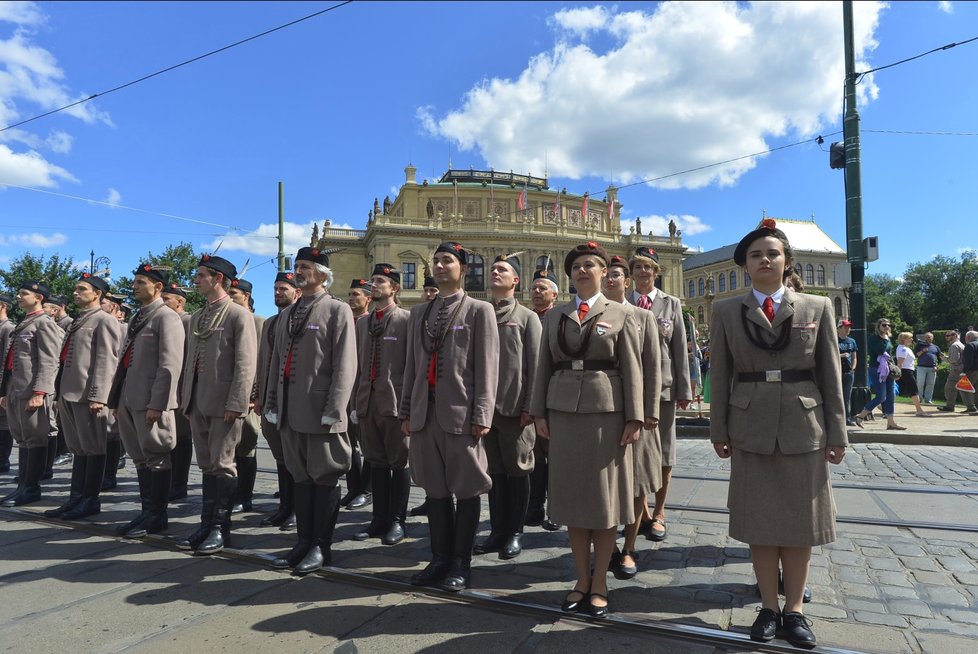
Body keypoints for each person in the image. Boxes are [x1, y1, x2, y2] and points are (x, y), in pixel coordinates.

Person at [710, 219, 847, 649]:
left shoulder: (817, 306)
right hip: (748, 424)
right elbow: (720, 374)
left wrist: (837, 432)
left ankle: (796, 610)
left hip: (804, 425)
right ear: (745, 266)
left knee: (799, 524)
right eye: (755, 255)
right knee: (761, 523)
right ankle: (768, 606)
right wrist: (718, 428)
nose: (765, 259)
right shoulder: (726, 310)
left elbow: (830, 373)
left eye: (772, 253)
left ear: (787, 261)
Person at [530, 241, 644, 619]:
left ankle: (600, 582)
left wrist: (635, 417)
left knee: (603, 501)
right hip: (562, 413)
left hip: (606, 414)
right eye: (577, 266)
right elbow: (543, 367)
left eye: (590, 266)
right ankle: (581, 579)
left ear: (602, 273)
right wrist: (538, 412)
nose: (582, 271)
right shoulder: (555, 315)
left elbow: (632, 368)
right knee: (572, 501)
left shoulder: (622, 313)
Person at [400, 241, 499, 592]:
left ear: (463, 269)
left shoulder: (479, 310)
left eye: (448, 261)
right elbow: (411, 366)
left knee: (467, 489)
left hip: (461, 415)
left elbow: (488, 367)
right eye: (437, 261)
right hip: (425, 416)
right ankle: (439, 558)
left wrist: (482, 413)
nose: (440, 266)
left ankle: (461, 561)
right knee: (436, 491)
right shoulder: (417, 313)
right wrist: (406, 411)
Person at [264, 247, 357, 576]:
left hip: (320, 413)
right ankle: (303, 541)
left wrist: (335, 409)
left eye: (305, 267)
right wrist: (272, 403)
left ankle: (321, 545)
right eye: (297, 266)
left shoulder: (336, 310)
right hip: (290, 411)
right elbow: (277, 362)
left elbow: (345, 365)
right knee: (300, 478)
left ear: (322, 274)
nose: (298, 271)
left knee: (324, 478)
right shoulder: (289, 313)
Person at [176, 256, 257, 555]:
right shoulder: (199, 316)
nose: (195, 280)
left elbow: (245, 364)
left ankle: (220, 528)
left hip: (224, 404)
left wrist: (237, 403)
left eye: (200, 275)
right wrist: (186, 400)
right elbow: (189, 364)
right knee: (207, 465)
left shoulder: (238, 315)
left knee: (223, 464)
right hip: (198, 401)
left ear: (217, 278)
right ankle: (205, 523)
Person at [107, 265, 185, 537]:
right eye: (135, 281)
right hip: (129, 395)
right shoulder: (140, 317)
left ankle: (157, 515)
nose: (135, 286)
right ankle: (146, 511)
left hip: (151, 400)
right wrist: (115, 398)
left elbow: (169, 365)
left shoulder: (167, 317)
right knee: (140, 457)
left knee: (157, 455)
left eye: (141, 282)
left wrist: (158, 403)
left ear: (158, 287)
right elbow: (124, 363)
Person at [473, 253, 541, 560]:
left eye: (502, 269)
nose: (495, 272)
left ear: (516, 280)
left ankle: (515, 532)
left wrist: (531, 405)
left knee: (518, 470)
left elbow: (536, 367)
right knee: (495, 473)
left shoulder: (527, 317)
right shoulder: (480, 313)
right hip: (486, 411)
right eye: (493, 269)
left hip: (516, 411)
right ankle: (497, 530)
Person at [601, 255, 661, 579]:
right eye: (606, 275)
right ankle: (608, 547)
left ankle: (628, 548)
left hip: (638, 417)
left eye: (617, 276)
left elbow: (653, 367)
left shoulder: (643, 317)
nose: (610, 280)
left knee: (638, 486)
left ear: (627, 282)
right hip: (605, 415)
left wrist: (649, 413)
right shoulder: (593, 316)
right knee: (607, 485)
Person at [627, 246, 692, 542]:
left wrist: (684, 388)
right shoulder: (620, 302)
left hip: (664, 389)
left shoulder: (671, 304)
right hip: (628, 390)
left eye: (648, 268)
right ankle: (641, 512)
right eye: (638, 267)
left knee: (665, 454)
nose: (643, 272)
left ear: (656, 273)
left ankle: (660, 513)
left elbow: (680, 347)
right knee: (632, 455)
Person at [44, 273, 122, 520]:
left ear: (97, 294)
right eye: (76, 288)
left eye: (82, 289)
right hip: (69, 393)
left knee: (93, 448)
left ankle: (90, 500)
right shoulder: (81, 319)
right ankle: (76, 497)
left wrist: (98, 396)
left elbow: (106, 361)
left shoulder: (104, 321)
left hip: (88, 396)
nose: (76, 293)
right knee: (79, 449)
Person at [352, 264, 411, 546]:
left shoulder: (405, 320)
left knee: (399, 462)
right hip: (367, 402)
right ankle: (378, 520)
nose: (373, 286)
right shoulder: (363, 323)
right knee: (375, 461)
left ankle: (397, 521)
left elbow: (413, 366)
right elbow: (356, 366)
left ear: (394, 288)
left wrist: (409, 405)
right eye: (373, 281)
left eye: (380, 281)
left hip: (394, 403)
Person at [0, 281, 63, 507]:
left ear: (38, 298)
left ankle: (32, 488)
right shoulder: (25, 323)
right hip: (16, 389)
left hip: (31, 391)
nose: (19, 296)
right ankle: (22, 487)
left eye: (23, 293)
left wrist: (40, 392)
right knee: (23, 439)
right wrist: (5, 390)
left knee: (34, 438)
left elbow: (49, 361)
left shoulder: (44, 323)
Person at [255, 271, 300, 529]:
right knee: (281, 457)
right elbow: (263, 364)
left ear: (297, 292)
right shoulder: (270, 323)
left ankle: (296, 509)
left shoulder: (299, 319)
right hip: (271, 398)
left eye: (283, 288)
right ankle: (284, 506)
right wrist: (260, 396)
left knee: (295, 458)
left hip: (292, 399)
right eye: (275, 289)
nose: (278, 293)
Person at [525, 267, 561, 532]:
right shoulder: (527, 318)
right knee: (535, 457)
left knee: (557, 457)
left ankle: (557, 510)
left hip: (554, 397)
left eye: (542, 289)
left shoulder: (560, 319)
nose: (536, 293)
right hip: (531, 397)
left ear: (554, 294)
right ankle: (534, 507)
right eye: (534, 288)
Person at [227, 277, 264, 514]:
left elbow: (260, 361)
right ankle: (230, 493)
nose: (230, 298)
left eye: (234, 294)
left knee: (247, 444)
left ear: (246, 297)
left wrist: (254, 395)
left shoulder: (257, 322)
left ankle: (245, 495)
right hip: (226, 394)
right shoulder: (226, 320)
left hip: (248, 396)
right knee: (228, 448)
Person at [408, 275, 440, 519]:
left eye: (433, 290)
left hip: (450, 404)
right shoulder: (417, 317)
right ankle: (432, 500)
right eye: (426, 290)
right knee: (428, 462)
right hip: (422, 402)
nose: (429, 294)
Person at [161, 282, 194, 501]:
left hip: (181, 387)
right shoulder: (164, 319)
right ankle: (169, 480)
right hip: (166, 388)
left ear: (179, 302)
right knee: (168, 437)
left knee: (181, 437)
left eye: (167, 299)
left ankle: (179, 484)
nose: (162, 303)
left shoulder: (187, 321)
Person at [343, 278, 373, 510]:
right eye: (350, 295)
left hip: (363, 391)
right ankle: (354, 488)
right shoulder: (345, 322)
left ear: (368, 299)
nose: (351, 299)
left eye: (356, 295)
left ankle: (367, 489)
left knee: (368, 444)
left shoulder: (370, 323)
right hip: (345, 391)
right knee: (348, 442)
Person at [854, 319, 905, 430]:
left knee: (890, 396)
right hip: (876, 369)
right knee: (881, 396)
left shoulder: (887, 338)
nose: (887, 327)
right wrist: (885, 339)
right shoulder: (873, 338)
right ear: (878, 326)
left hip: (888, 370)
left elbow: (889, 354)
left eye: (888, 325)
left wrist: (895, 368)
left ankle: (891, 423)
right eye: (884, 325)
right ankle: (861, 416)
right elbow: (881, 350)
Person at [939, 330, 973, 412]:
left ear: (954, 336)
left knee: (949, 388)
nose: (946, 337)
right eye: (946, 336)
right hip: (961, 370)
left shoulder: (954, 345)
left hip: (956, 370)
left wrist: (945, 358)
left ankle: (950, 406)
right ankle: (970, 407)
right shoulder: (961, 344)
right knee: (963, 389)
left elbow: (954, 360)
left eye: (948, 336)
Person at [895, 332, 927, 417]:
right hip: (906, 371)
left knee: (899, 390)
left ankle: (882, 405)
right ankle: (919, 410)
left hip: (907, 371)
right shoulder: (903, 349)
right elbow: (900, 363)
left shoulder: (905, 348)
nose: (912, 340)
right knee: (914, 390)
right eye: (909, 338)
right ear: (903, 339)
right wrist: (898, 374)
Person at [0, 293, 14, 476]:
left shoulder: (8, 328)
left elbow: (6, 359)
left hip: (2, 382)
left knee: (3, 422)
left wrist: (3, 386)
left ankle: (3, 460)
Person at [837, 319, 858, 426]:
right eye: (845, 327)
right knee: (836, 395)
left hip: (848, 372)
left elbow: (854, 357)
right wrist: (840, 356)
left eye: (849, 327)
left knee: (846, 396)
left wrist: (853, 368)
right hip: (836, 371)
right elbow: (828, 355)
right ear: (839, 328)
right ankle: (836, 418)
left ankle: (847, 418)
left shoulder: (852, 341)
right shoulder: (833, 340)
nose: (848, 329)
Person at [914, 333, 942, 404]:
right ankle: (919, 399)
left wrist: (937, 366)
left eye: (929, 337)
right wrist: (922, 351)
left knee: (930, 384)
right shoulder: (920, 345)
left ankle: (928, 400)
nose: (927, 338)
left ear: (932, 338)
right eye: (926, 337)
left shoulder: (936, 347)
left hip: (932, 368)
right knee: (920, 383)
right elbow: (915, 355)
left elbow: (940, 359)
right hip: (921, 367)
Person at [961, 332, 978, 415]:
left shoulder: (969, 345)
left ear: (968, 337)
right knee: (976, 389)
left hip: (972, 370)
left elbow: (968, 361)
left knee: (964, 388)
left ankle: (971, 407)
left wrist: (964, 371)